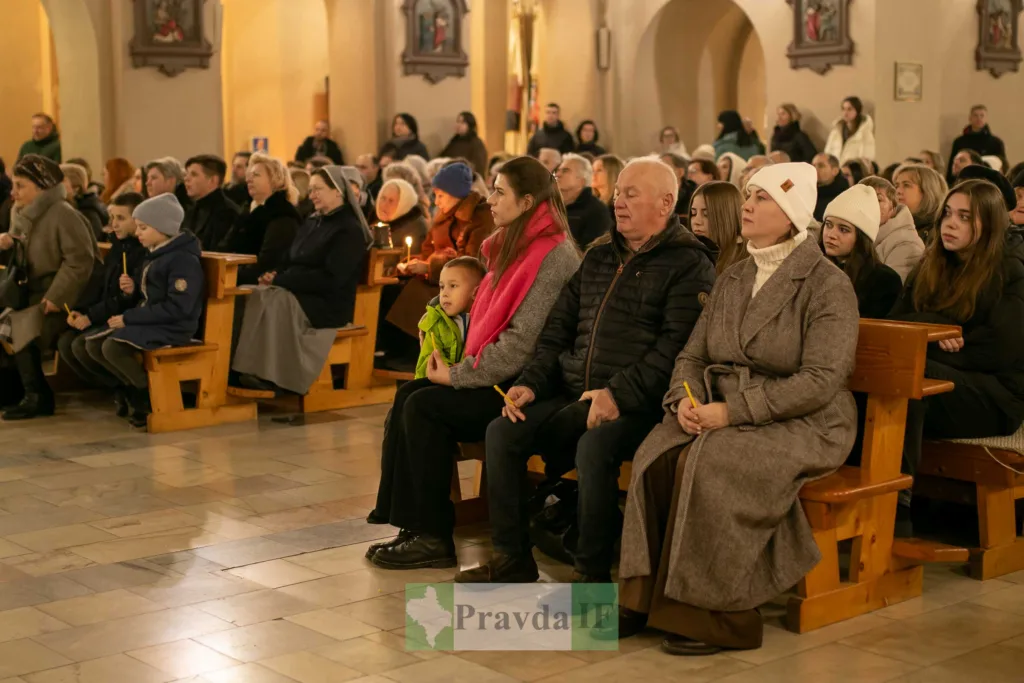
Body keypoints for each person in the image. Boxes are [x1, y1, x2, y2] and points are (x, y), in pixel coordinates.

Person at [615, 162, 860, 656]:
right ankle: (643, 597)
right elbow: (692, 354)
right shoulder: (734, 275)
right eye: (748, 196)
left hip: (805, 421)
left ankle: (719, 615)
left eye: (762, 198)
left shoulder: (825, 283)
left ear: (792, 215)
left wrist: (733, 413)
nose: (746, 206)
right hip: (720, 406)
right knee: (657, 452)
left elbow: (821, 380)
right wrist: (686, 401)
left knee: (713, 462)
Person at [458, 157, 716, 584]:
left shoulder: (688, 264)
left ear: (666, 202)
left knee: (594, 447)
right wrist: (530, 383)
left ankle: (591, 574)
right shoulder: (598, 255)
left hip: (640, 403)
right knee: (503, 431)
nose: (619, 202)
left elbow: (674, 349)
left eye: (632, 194)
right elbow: (557, 330)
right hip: (575, 391)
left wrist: (616, 395)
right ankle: (511, 558)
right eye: (617, 193)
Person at [366, 156, 581, 570]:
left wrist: (459, 375)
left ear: (527, 202)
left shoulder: (554, 256)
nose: (491, 199)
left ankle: (432, 536)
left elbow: (523, 344)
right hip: (498, 374)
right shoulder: (511, 246)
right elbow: (485, 312)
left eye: (500, 192)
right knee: (410, 394)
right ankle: (413, 525)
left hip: (527, 386)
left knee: (426, 407)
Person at [890, 179, 1024, 484]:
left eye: (964, 217)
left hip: (999, 396)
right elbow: (896, 322)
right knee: (886, 370)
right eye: (947, 214)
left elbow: (1002, 351)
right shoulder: (933, 262)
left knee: (908, 373)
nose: (951, 224)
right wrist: (936, 328)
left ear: (989, 224)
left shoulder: (1010, 268)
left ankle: (898, 502)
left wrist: (930, 346)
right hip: (944, 375)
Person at [233, 166, 373, 395]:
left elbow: (332, 278)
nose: (312, 195)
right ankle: (241, 370)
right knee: (252, 293)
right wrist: (275, 274)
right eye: (310, 190)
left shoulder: (349, 230)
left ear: (338, 191)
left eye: (318, 189)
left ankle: (271, 376)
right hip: (298, 290)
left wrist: (284, 281)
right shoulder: (312, 221)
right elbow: (289, 258)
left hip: (326, 303)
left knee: (273, 301)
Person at [93, 194, 203, 428]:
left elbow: (178, 307)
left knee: (112, 347)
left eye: (143, 227)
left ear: (163, 228)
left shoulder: (182, 260)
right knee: (94, 346)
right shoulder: (157, 253)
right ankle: (130, 388)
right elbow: (149, 294)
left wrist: (128, 317)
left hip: (173, 327)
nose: (138, 232)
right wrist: (132, 290)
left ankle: (147, 394)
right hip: (154, 320)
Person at [0, 156, 96, 420]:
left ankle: (38, 397)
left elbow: (80, 261)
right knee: (5, 321)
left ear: (41, 188)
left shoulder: (63, 214)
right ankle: (11, 392)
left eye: (20, 186)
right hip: (28, 291)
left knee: (17, 326)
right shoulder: (19, 212)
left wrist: (55, 297)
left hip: (62, 299)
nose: (13, 192)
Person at [58, 192, 148, 414]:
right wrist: (81, 310)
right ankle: (116, 386)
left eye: (120, 218)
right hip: (107, 313)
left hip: (126, 316)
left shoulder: (141, 250)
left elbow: (126, 299)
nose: (113, 224)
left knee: (84, 344)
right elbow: (100, 284)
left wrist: (91, 317)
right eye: (112, 217)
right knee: (65, 343)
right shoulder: (118, 246)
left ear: (137, 220)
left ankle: (135, 390)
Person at [217, 153, 301, 284]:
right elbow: (226, 246)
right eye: (249, 175)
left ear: (275, 180)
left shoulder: (282, 214)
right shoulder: (247, 209)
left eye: (256, 175)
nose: (249, 179)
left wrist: (229, 276)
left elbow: (268, 261)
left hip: (258, 285)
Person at [820, 185, 902, 318]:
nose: (831, 234)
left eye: (844, 229)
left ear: (861, 237)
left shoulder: (883, 281)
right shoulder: (811, 268)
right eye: (828, 225)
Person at [408, 162, 494, 282]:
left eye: (441, 196)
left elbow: (473, 264)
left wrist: (429, 268)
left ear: (456, 194)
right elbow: (427, 251)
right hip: (439, 281)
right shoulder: (442, 218)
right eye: (435, 196)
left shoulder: (480, 217)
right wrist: (410, 264)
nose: (436, 202)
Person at [414, 256, 486, 379]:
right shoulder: (437, 321)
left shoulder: (487, 320)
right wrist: (451, 370)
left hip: (471, 382)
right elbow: (427, 359)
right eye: (442, 287)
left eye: (453, 286)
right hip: (437, 382)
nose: (444, 294)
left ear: (475, 292)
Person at [859, 176, 925, 282]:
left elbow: (890, 291)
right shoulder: (856, 234)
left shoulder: (907, 244)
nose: (870, 204)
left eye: (878, 199)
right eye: (863, 199)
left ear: (893, 207)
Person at [181, 155, 241, 250]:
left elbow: (219, 253)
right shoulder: (191, 210)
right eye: (186, 174)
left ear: (213, 180)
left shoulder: (228, 212)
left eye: (194, 174)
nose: (186, 179)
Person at [688, 181, 747, 274]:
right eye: (693, 213)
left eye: (706, 214)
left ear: (728, 216)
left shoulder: (746, 262)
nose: (696, 221)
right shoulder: (688, 252)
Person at [557, 153, 613, 248]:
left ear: (581, 180)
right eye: (558, 171)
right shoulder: (552, 206)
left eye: (565, 171)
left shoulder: (596, 211)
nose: (558, 174)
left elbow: (594, 251)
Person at [946, 105, 1006, 184]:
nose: (979, 118)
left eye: (982, 115)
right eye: (975, 115)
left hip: (989, 182)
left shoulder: (996, 142)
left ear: (986, 118)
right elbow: (952, 164)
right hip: (963, 181)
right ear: (970, 118)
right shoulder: (959, 141)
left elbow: (1002, 165)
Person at [892, 163, 948, 243]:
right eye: (896, 186)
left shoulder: (938, 232)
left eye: (906, 185)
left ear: (927, 191)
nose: (898, 191)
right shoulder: (892, 222)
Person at [375, 178, 429, 255]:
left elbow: (409, 260)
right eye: (383, 198)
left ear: (403, 203)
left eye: (391, 201)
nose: (384, 205)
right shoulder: (371, 221)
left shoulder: (415, 227)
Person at [60, 163, 108, 241]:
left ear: (76, 186)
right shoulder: (77, 206)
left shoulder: (87, 210)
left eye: (62, 181)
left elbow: (88, 241)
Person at [824, 96, 875, 164]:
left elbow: (867, 158)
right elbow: (827, 154)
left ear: (857, 111)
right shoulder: (836, 132)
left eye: (849, 109)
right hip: (835, 171)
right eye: (843, 109)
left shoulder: (865, 133)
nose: (845, 113)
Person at [439, 112, 488, 176]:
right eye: (458, 121)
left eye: (462, 122)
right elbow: (443, 157)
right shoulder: (454, 141)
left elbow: (479, 166)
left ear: (470, 125)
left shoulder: (476, 143)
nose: (458, 125)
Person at [812, 153, 849, 222]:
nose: (815, 169)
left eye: (821, 166)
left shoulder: (843, 196)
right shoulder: (808, 191)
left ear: (835, 171)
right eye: (813, 165)